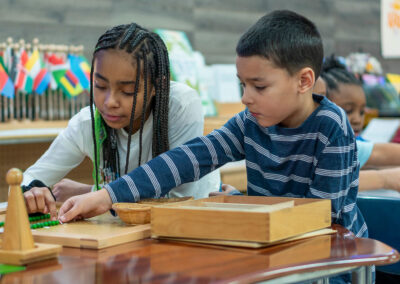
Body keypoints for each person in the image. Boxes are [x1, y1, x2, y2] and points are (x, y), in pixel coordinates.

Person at [59, 10, 366, 239]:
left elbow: (322, 217)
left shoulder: (331, 127)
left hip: (333, 258)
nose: (246, 98)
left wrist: (242, 205)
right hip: (273, 244)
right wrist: (106, 196)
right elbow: (186, 159)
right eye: (242, 85)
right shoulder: (251, 123)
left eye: (258, 87)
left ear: (303, 81)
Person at [22, 23, 221, 218]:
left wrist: (92, 193)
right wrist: (32, 192)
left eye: (127, 91)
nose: (110, 102)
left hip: (195, 218)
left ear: (156, 87)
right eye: (100, 86)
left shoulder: (180, 105)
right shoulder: (87, 122)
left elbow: (177, 199)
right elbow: (29, 179)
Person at [314, 56, 400, 195]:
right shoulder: (320, 146)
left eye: (361, 112)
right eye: (348, 111)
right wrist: (385, 178)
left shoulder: (350, 145)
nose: (357, 120)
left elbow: (380, 153)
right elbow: (332, 182)